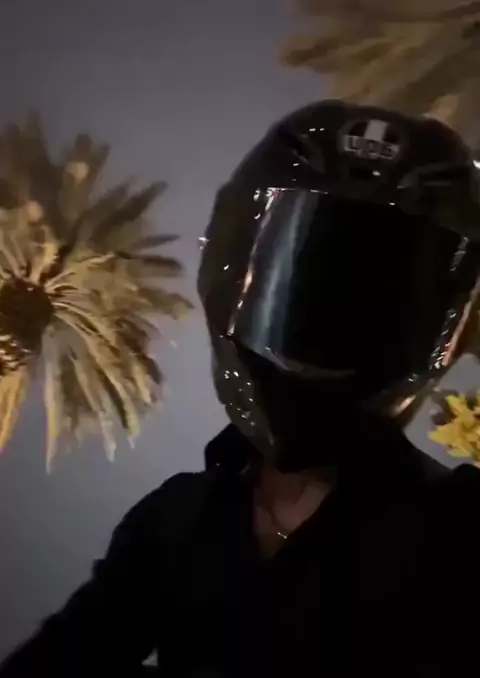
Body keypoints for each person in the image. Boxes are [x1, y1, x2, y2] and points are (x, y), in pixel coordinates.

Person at [2, 100, 480, 677]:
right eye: (306, 289)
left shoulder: (463, 528)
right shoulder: (176, 520)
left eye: (369, 305)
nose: (329, 331)